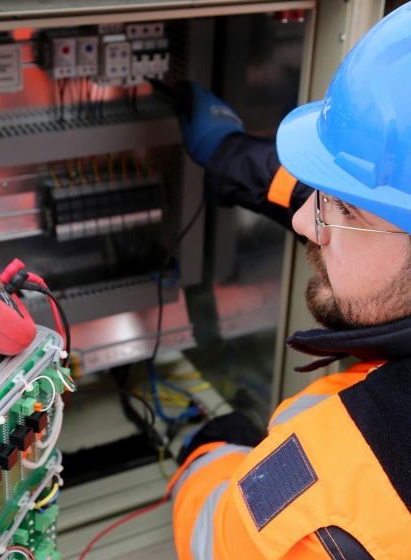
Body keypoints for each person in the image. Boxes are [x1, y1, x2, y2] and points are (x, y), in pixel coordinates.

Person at [167, 3, 411, 559]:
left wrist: (208, 457)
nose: (305, 221)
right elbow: (355, 205)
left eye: (342, 209)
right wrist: (231, 157)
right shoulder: (390, 227)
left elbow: (218, 538)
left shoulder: (336, 501)